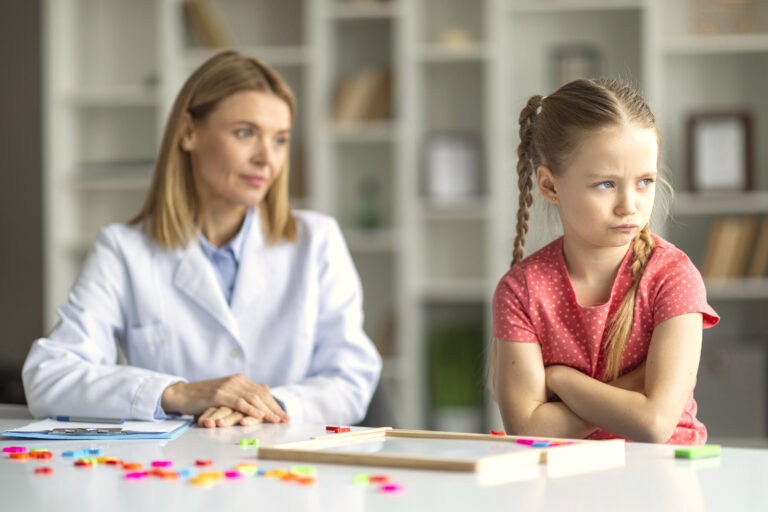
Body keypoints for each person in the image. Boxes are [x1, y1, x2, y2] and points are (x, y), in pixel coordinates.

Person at [23, 50, 382, 428]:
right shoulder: (123, 250)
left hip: (287, 467)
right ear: (188, 132)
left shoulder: (318, 241)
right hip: (173, 475)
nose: (267, 159)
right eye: (246, 133)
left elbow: (351, 378)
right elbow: (49, 376)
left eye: (279, 140)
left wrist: (265, 404)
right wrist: (180, 393)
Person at [489, 79, 719, 445]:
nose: (630, 205)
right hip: (564, 484)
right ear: (550, 186)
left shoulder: (673, 277)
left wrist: (564, 380)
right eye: (605, 185)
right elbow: (528, 428)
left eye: (644, 181)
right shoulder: (521, 290)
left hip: (660, 481)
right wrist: (634, 385)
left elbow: (655, 423)